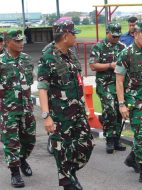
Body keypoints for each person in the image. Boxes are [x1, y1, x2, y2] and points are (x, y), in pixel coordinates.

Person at [37, 20, 94, 190]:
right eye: (74, 34)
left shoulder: (71, 54)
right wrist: (46, 116)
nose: (76, 37)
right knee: (62, 148)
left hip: (77, 110)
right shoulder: (48, 57)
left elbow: (78, 80)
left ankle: (70, 170)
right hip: (60, 114)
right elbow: (42, 88)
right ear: (66, 36)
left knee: (86, 143)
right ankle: (67, 181)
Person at [115, 20, 142, 185]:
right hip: (134, 102)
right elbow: (119, 81)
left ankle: (132, 158)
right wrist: (121, 104)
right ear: (135, 34)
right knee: (141, 135)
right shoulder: (125, 54)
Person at [0, 30, 36, 188]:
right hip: (8, 110)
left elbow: (29, 82)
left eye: (22, 40)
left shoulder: (27, 60)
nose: (21, 43)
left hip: (27, 108)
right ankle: (15, 173)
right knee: (11, 142)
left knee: (29, 139)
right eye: (17, 41)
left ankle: (22, 159)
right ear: (8, 42)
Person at [89, 22, 126, 154]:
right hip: (104, 84)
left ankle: (116, 139)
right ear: (107, 33)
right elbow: (93, 66)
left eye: (118, 36)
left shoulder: (122, 47)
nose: (116, 38)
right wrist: (110, 65)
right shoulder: (99, 47)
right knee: (109, 108)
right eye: (113, 36)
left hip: (119, 84)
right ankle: (109, 139)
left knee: (118, 109)